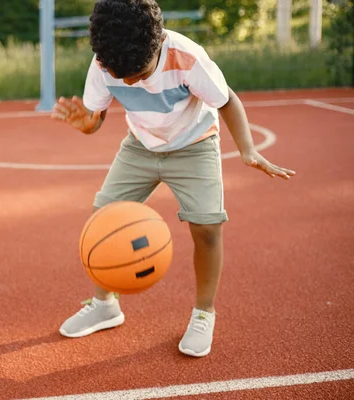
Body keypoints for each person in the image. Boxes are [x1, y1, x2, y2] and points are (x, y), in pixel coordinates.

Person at [51, 0, 295, 357]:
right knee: (103, 216)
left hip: (194, 144)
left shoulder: (187, 57)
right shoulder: (106, 62)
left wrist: (247, 149)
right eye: (123, 78)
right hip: (141, 145)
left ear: (158, 45)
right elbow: (96, 117)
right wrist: (85, 124)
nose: (131, 81)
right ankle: (105, 305)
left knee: (208, 226)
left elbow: (226, 100)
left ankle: (203, 313)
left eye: (139, 73)